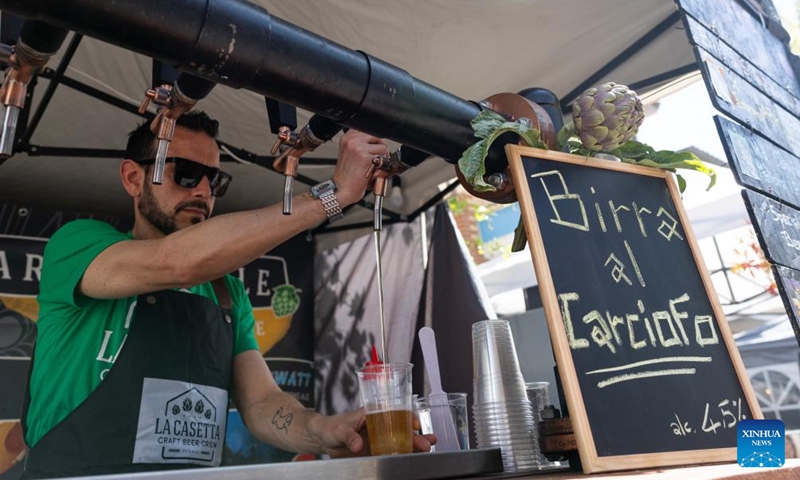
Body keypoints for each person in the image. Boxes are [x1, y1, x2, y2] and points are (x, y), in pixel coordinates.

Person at [21, 111, 434, 479]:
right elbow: (176, 262)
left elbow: (261, 404)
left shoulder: (227, 291)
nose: (203, 190)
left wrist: (324, 432)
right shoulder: (78, 245)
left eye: (214, 179)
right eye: (185, 173)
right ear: (133, 177)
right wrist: (333, 195)